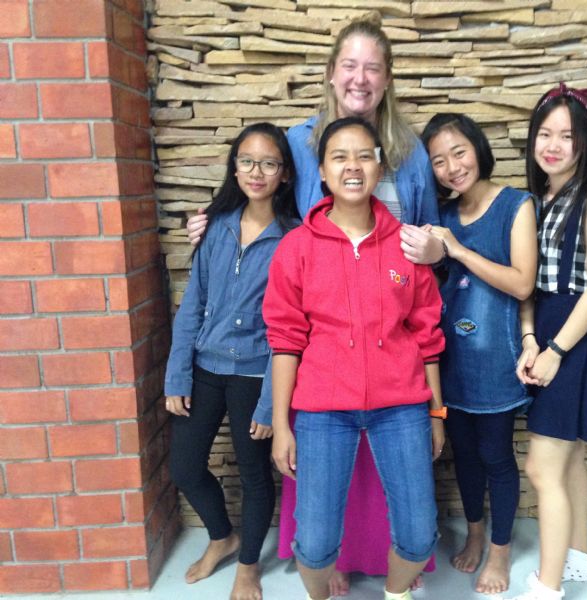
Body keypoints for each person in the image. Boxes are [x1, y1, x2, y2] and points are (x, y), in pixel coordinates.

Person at [185, 13, 443, 596]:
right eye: (349, 65)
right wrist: (214, 220)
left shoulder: (410, 155)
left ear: (388, 78)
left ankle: (392, 583)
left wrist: (434, 250)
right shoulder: (300, 154)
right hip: (326, 381)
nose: (360, 77)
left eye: (372, 67)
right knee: (320, 530)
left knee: (412, 523)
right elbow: (259, 187)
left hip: (395, 368)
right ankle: (330, 574)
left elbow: (429, 261)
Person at [265, 116, 446, 600]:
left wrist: (437, 413)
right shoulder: (296, 248)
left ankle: (396, 593)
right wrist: (282, 425)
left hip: (401, 406)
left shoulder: (407, 245)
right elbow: (285, 341)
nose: (353, 166)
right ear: (322, 172)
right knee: (315, 544)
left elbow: (427, 336)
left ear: (379, 168)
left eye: (365, 156)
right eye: (339, 157)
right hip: (323, 410)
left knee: (418, 534)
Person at [164, 123, 299, 600]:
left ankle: (248, 566)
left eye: (269, 163)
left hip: (257, 374)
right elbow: (193, 304)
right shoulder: (215, 226)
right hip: (205, 367)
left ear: (285, 174)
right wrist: (177, 374)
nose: (256, 171)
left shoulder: (293, 238)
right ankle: (222, 537)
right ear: (235, 167)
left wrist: (270, 405)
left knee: (254, 476)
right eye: (247, 161)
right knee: (184, 467)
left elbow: (290, 328)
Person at [509, 84, 587, 600]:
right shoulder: (536, 202)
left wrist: (556, 351)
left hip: (575, 333)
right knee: (571, 456)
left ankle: (547, 588)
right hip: (545, 328)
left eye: (567, 136)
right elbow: (527, 285)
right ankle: (578, 557)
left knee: (542, 466)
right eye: (545, 134)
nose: (553, 145)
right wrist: (530, 339)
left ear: (586, 143)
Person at [419, 113, 537, 596]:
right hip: (450, 363)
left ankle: (501, 551)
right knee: (463, 457)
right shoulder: (441, 214)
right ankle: (474, 534)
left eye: (459, 152)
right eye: (438, 161)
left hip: (497, 363)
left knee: (495, 455)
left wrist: (458, 251)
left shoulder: (516, 205)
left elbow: (523, 283)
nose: (452, 167)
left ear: (478, 149)